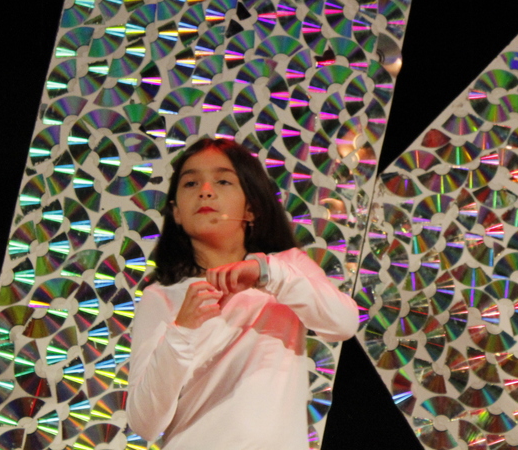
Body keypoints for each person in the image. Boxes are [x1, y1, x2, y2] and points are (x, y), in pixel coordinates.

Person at [126, 137, 359, 449]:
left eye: (223, 181)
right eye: (191, 183)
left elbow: (344, 323)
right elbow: (144, 423)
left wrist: (267, 274)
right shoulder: (161, 297)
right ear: (176, 212)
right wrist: (181, 331)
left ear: (251, 208)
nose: (205, 190)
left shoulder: (286, 269)